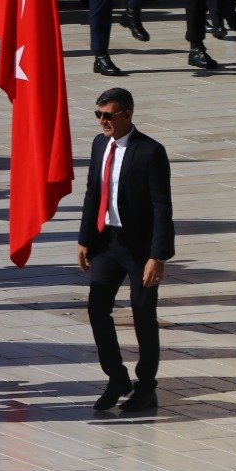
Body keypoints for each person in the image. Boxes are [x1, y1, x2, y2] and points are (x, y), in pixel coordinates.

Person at [77, 88, 173, 414]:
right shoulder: (99, 144)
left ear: (127, 115)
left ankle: (146, 387)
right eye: (98, 114)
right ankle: (117, 377)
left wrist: (157, 256)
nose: (102, 121)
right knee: (96, 308)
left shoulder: (150, 152)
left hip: (140, 249)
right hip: (107, 243)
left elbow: (162, 207)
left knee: (142, 315)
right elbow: (93, 192)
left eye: (108, 115)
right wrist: (84, 239)